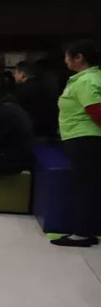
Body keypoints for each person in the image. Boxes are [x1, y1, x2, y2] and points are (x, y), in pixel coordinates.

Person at [51, 39, 101, 247]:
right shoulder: (91, 77)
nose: (65, 60)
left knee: (84, 186)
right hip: (85, 138)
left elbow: (96, 111)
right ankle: (87, 230)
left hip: (84, 139)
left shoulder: (86, 81)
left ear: (79, 57)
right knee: (89, 185)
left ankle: (81, 233)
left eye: (67, 56)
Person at [13, 61, 59, 142]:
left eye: (16, 73)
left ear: (22, 74)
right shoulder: (45, 86)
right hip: (49, 128)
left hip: (31, 128)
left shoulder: (23, 89)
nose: (14, 75)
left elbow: (19, 110)